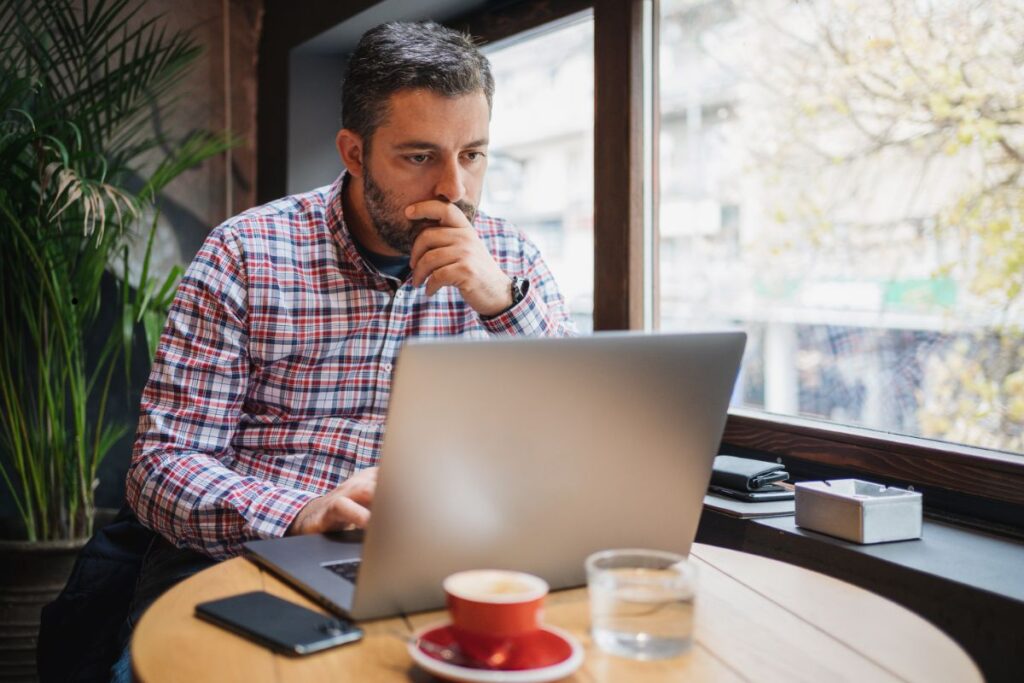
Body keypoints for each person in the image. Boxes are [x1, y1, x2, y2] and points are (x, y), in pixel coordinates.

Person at [105, 20, 574, 681]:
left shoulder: (512, 261)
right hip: (253, 556)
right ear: (354, 152)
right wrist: (299, 513)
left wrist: (501, 302)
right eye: (420, 157)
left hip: (450, 562)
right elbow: (160, 468)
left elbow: (573, 442)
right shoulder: (245, 254)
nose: (454, 189)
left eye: (472, 154)